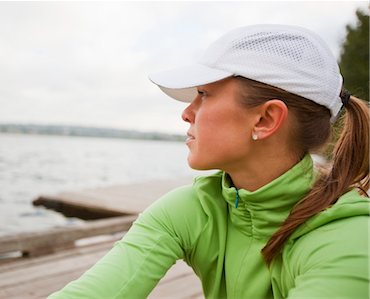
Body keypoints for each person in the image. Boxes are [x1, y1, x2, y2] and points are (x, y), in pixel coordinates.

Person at [48, 24, 369, 299]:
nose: (186, 112)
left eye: (204, 94)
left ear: (265, 119)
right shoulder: (196, 209)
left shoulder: (350, 242)